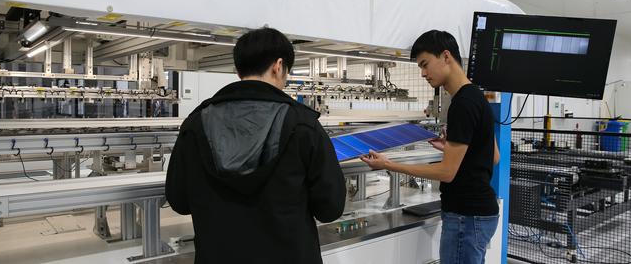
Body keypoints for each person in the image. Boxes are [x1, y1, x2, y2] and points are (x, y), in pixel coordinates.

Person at [166, 27, 346, 264]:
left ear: (239, 68)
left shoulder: (196, 123)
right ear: (278, 66)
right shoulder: (303, 125)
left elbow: (178, 200)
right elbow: (330, 208)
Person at [361, 30, 500, 264]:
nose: (423, 73)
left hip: (465, 216)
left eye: (425, 65)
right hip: (481, 213)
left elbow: (447, 173)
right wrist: (451, 148)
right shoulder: (476, 97)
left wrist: (389, 164)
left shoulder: (462, 105)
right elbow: (492, 156)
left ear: (446, 56)